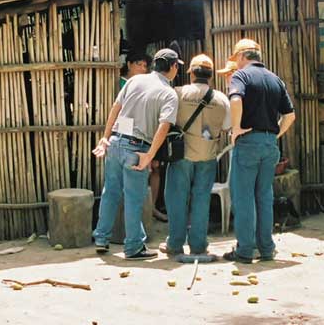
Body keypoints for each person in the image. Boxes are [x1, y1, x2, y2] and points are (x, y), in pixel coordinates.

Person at [92, 48, 182, 259]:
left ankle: (101, 238)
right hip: (137, 148)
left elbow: (116, 108)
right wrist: (150, 155)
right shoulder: (169, 93)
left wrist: (105, 137)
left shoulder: (134, 81)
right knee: (134, 198)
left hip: (116, 141)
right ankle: (133, 247)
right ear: (173, 67)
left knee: (110, 192)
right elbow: (165, 125)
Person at [223, 38, 296, 264]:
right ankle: (266, 249)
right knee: (264, 197)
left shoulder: (241, 76)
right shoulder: (276, 80)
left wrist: (236, 129)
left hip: (248, 142)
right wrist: (275, 135)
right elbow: (290, 115)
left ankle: (244, 250)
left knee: (243, 197)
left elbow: (235, 99)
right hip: (269, 145)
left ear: (243, 56)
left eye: (237, 59)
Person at [161, 54, 230, 257]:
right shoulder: (221, 98)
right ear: (210, 75)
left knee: (176, 198)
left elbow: (166, 119)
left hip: (182, 155)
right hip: (208, 156)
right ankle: (199, 244)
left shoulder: (177, 93)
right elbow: (227, 126)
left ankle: (175, 243)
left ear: (191, 73)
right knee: (201, 199)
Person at [119, 49, 166, 222]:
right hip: (129, 135)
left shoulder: (149, 84)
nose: (142, 68)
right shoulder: (121, 84)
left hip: (151, 132)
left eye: (145, 65)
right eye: (138, 64)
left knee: (155, 168)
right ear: (129, 64)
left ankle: (151, 207)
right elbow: (120, 112)